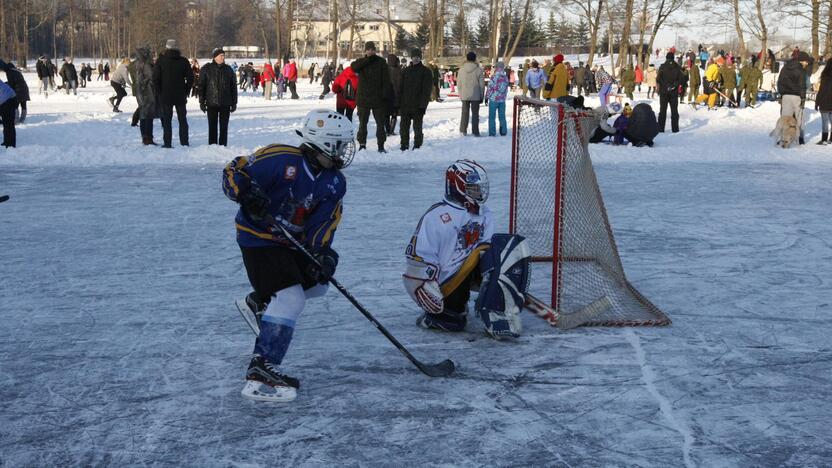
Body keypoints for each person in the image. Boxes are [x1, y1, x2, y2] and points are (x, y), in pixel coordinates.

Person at [223, 109, 355, 403]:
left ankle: (261, 301)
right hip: (258, 239)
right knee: (292, 298)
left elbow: (325, 221)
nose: (345, 152)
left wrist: (322, 254)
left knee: (318, 284)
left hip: (289, 242)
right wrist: (245, 193)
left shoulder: (334, 182)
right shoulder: (280, 158)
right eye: (341, 145)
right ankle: (262, 367)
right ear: (323, 143)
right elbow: (234, 170)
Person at [403, 160, 528, 339]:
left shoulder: (484, 214)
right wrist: (420, 284)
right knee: (453, 322)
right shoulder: (436, 216)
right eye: (473, 188)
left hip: (468, 271)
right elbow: (417, 257)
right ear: (458, 187)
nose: (479, 192)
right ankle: (438, 316)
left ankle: (497, 311)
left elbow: (487, 249)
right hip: (447, 280)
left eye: (480, 188)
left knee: (508, 248)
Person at [350, 41, 392, 152]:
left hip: (378, 99)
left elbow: (386, 80)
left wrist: (384, 95)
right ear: (365, 51)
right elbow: (353, 68)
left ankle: (381, 145)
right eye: (368, 49)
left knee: (380, 124)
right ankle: (362, 144)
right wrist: (367, 60)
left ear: (375, 50)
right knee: (363, 124)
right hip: (363, 99)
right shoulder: (361, 62)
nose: (370, 51)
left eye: (372, 49)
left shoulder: (381, 62)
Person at [153, 39, 194, 148]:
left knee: (167, 120)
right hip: (180, 95)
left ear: (166, 48)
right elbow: (190, 78)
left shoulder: (161, 61)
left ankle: (167, 143)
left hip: (165, 95)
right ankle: (184, 142)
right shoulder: (183, 61)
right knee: (182, 119)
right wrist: (186, 90)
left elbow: (155, 79)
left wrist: (159, 93)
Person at [199, 48, 238, 146]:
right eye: (221, 55)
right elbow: (201, 86)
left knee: (224, 127)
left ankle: (223, 146)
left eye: (224, 55)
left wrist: (234, 103)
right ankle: (212, 146)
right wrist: (201, 102)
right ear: (215, 57)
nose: (223, 57)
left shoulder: (228, 69)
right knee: (212, 126)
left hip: (225, 103)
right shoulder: (206, 69)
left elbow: (233, 87)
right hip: (211, 103)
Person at [397, 48, 433, 151]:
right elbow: (400, 88)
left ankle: (417, 145)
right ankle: (404, 144)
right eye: (413, 57)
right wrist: (398, 103)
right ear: (411, 58)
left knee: (417, 127)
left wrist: (423, 105)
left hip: (418, 105)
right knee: (404, 127)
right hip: (405, 104)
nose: (415, 59)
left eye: (417, 57)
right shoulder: (405, 71)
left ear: (420, 58)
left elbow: (426, 90)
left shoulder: (426, 72)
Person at [778, 52, 810, 145]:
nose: (807, 63)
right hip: (797, 96)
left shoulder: (785, 68)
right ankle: (800, 138)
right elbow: (802, 86)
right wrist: (803, 98)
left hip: (786, 96)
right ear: (801, 61)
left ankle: (782, 138)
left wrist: (782, 94)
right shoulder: (801, 70)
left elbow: (780, 82)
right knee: (800, 118)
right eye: (806, 61)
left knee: (785, 119)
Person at [133, 47, 158, 146]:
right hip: (148, 92)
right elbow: (152, 78)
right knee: (148, 116)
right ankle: (149, 138)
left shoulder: (136, 64)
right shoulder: (146, 65)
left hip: (140, 92)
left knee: (143, 115)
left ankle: (144, 137)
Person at [656, 52, 685, 133]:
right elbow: (682, 80)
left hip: (664, 92)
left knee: (662, 111)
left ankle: (660, 129)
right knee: (674, 111)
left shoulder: (662, 67)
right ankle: (675, 129)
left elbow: (658, 79)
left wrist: (666, 85)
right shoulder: (677, 67)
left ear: (666, 58)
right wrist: (674, 85)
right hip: (674, 93)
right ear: (673, 58)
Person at [458, 51, 485, 136]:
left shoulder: (461, 70)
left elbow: (459, 84)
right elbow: (482, 85)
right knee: (475, 114)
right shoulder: (479, 70)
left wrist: (461, 94)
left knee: (464, 113)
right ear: (475, 59)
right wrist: (481, 96)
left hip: (465, 95)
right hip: (475, 95)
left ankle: (463, 130)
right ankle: (475, 131)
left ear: (467, 58)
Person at [485, 62, 509, 137]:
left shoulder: (494, 77)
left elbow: (490, 88)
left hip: (494, 99)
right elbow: (505, 89)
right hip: (502, 100)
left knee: (492, 117)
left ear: (497, 67)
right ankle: (503, 131)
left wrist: (486, 97)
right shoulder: (505, 77)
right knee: (502, 116)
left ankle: (492, 133)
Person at [815, 60, 832, 144]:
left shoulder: (824, 76)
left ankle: (824, 139)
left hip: (824, 102)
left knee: (825, 122)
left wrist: (817, 102)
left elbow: (821, 91)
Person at [386, 54, 402, 136]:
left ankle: (387, 130)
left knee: (386, 114)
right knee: (394, 114)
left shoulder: (385, 69)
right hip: (396, 95)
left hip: (387, 95)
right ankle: (391, 130)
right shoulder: (398, 70)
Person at [0, 77, 17, 147]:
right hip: (8, 98)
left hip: (8, 100)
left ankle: (11, 144)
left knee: (8, 123)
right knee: (6, 123)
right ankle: (7, 141)